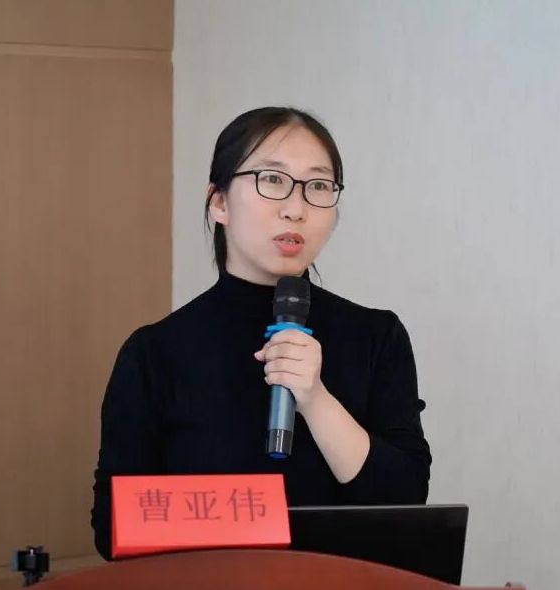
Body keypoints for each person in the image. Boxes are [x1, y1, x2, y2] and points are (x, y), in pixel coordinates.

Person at [90, 106, 431, 559]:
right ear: (219, 203)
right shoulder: (154, 353)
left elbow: (406, 502)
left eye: (318, 186)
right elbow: (112, 526)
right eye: (272, 179)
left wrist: (315, 398)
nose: (296, 208)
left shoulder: (377, 336)